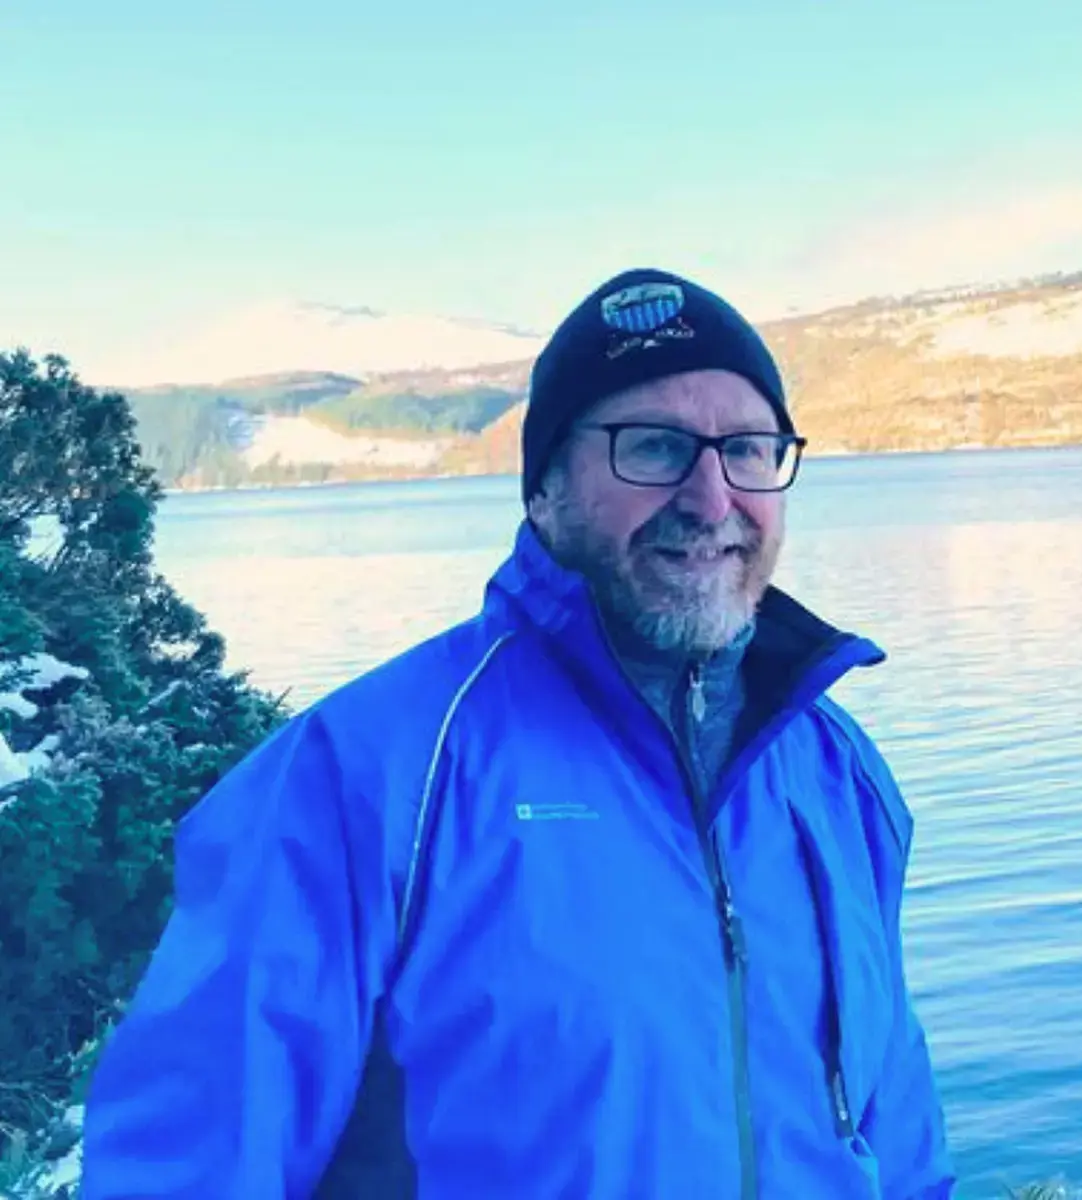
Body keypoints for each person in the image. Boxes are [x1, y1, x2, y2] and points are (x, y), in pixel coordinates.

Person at [80, 268, 955, 1199]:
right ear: (544, 492)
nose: (711, 497)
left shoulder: (835, 773)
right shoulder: (360, 781)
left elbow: (897, 1142)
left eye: (747, 449)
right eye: (654, 449)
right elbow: (184, 1165)